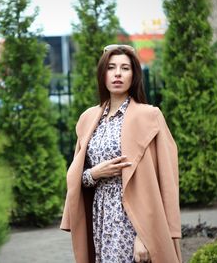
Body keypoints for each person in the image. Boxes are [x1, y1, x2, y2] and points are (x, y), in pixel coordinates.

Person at [60, 44, 182, 263]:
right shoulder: (88, 118)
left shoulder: (149, 116)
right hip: (101, 219)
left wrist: (144, 236)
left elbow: (167, 180)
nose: (117, 73)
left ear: (134, 75)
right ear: (102, 74)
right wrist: (94, 173)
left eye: (125, 68)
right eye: (111, 67)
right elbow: (78, 178)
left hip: (134, 221)